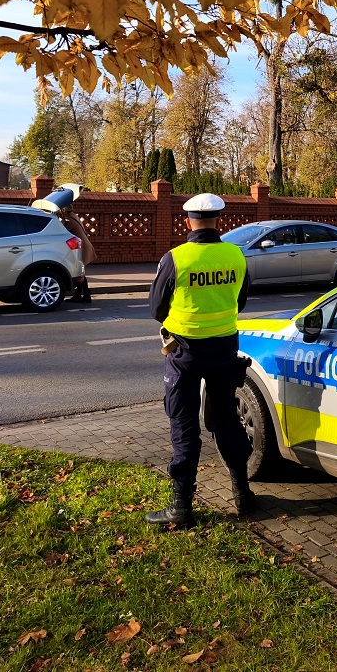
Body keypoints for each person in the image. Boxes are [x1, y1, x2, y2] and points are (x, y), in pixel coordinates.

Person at [146, 193, 253, 528]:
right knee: (227, 419)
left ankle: (182, 507)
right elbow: (242, 301)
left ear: (187, 221)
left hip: (184, 354)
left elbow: (156, 308)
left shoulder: (176, 258)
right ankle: (243, 494)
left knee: (184, 425)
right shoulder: (235, 254)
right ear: (219, 220)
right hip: (224, 350)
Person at [58, 207, 96, 302]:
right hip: (84, 245)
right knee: (80, 272)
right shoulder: (74, 216)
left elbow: (62, 231)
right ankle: (82, 295)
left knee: (80, 272)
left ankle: (84, 295)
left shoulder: (70, 221)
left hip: (83, 248)